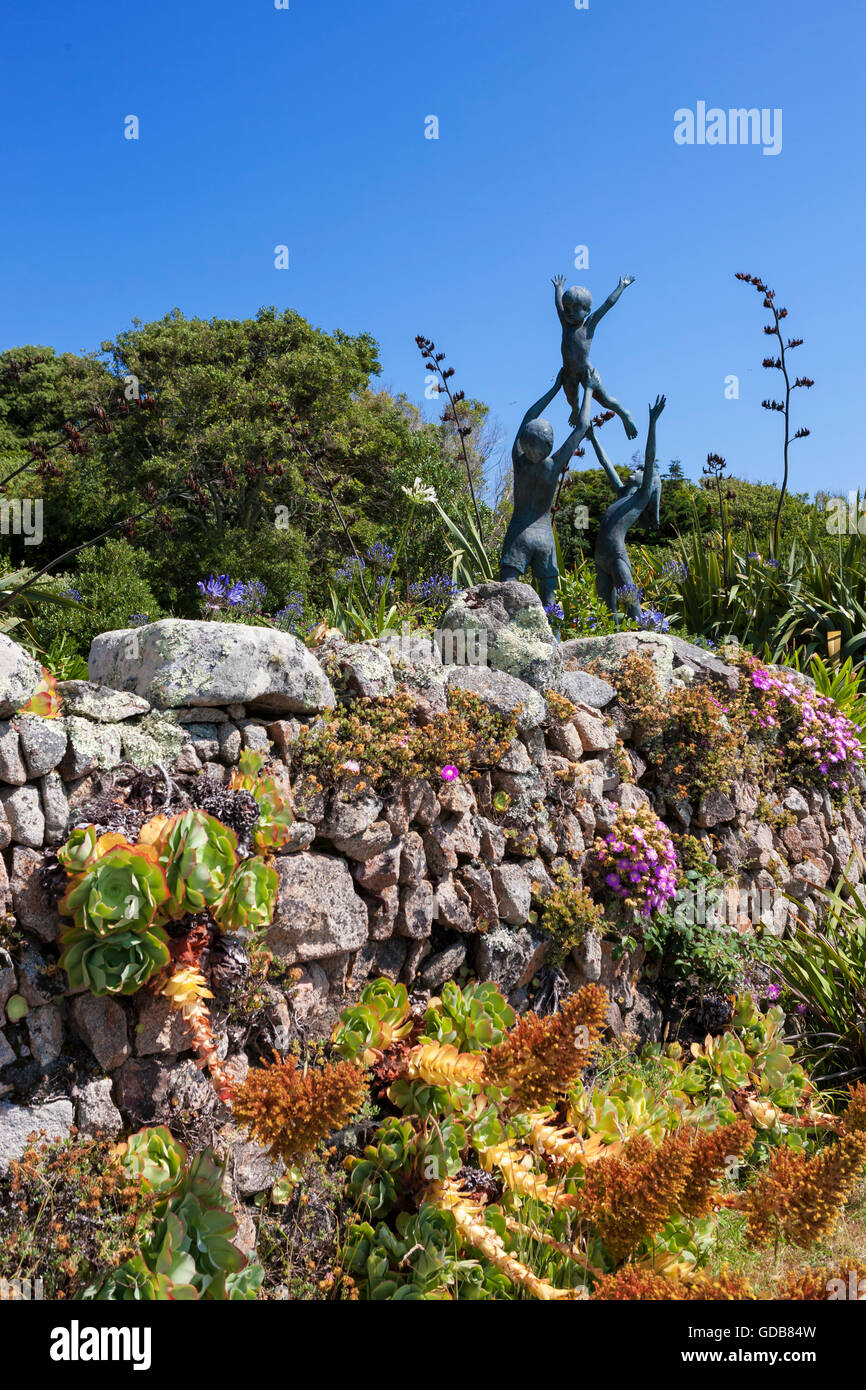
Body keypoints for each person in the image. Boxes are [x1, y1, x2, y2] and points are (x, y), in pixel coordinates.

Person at [499, 370, 594, 608]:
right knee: (550, 604)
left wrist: (555, 388)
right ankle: (556, 643)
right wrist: (589, 389)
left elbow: (529, 414)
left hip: (518, 534)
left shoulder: (519, 461)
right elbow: (582, 426)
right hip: (544, 538)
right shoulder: (553, 466)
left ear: (524, 441)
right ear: (549, 444)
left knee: (507, 599)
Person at [590, 394, 666, 622]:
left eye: (641, 471)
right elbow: (606, 463)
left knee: (632, 606)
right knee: (606, 613)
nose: (635, 470)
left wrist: (652, 423)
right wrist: (592, 437)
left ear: (649, 482)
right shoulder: (623, 493)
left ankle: (644, 642)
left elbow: (650, 457)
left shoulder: (640, 498)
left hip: (615, 556)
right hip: (601, 557)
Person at [553, 272, 638, 438]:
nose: (568, 312)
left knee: (605, 400)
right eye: (567, 308)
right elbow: (558, 305)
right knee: (571, 397)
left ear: (586, 311)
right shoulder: (565, 324)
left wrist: (621, 286)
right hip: (569, 372)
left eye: (575, 309)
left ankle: (624, 414)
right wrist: (558, 288)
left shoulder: (588, 326)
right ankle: (575, 410)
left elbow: (607, 304)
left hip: (586, 372)